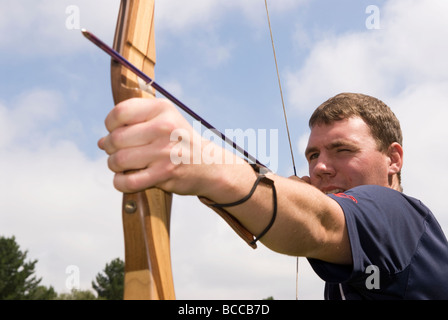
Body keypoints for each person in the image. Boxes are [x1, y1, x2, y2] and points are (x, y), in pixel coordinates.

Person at [98, 92, 448, 299]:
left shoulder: (396, 214)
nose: (321, 167)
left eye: (342, 150)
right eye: (313, 155)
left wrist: (204, 165)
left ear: (393, 159)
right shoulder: (354, 260)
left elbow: (320, 222)